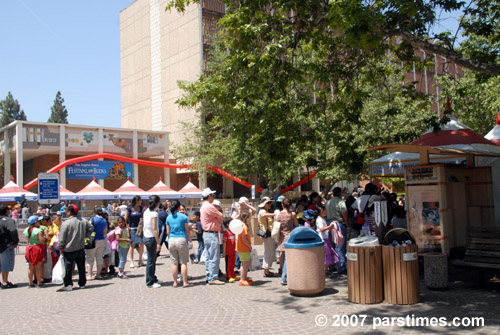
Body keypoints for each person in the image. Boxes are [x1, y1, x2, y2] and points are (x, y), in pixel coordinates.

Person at [58, 204, 94, 291]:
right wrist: (86, 236)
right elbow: (91, 228)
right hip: (80, 247)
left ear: (70, 212)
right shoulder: (83, 221)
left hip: (68, 248)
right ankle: (82, 283)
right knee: (81, 267)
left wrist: (61, 247)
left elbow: (62, 238)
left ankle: (68, 284)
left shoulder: (65, 223)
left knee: (68, 268)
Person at [200, 187, 225, 285]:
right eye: (212, 195)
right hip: (211, 233)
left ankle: (209, 275)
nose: (213, 196)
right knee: (214, 256)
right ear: (209, 196)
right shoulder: (209, 206)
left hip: (206, 233)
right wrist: (217, 219)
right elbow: (221, 216)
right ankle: (213, 277)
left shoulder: (203, 206)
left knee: (208, 256)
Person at [166, 200, 193, 287]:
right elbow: (187, 230)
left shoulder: (168, 217)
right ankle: (185, 282)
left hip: (172, 239)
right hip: (181, 238)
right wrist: (190, 240)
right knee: (183, 262)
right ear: (178, 207)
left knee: (174, 262)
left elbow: (167, 231)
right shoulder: (183, 217)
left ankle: (175, 282)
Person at [275, 198, 298, 286]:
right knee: (287, 259)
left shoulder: (278, 214)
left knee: (284, 257)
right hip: (290, 236)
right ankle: (284, 277)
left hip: (281, 237)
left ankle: (285, 275)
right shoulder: (292, 214)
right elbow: (296, 224)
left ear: (282, 205)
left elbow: (276, 225)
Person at [326, 187, 348, 274]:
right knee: (340, 246)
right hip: (339, 224)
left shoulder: (328, 202)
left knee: (331, 246)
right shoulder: (340, 202)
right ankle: (341, 266)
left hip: (329, 224)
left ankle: (331, 266)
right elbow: (344, 212)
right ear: (340, 194)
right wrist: (346, 222)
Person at [143, 195, 162, 288]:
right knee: (151, 260)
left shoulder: (146, 211)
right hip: (151, 237)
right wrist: (158, 242)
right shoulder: (154, 213)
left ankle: (153, 278)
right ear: (157, 203)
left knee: (152, 259)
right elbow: (154, 228)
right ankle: (150, 281)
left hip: (146, 236)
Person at [315, 204, 339, 276]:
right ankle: (325, 271)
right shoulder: (319, 220)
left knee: (327, 255)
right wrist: (330, 226)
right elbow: (322, 229)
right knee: (326, 255)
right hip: (323, 239)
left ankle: (326, 270)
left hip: (324, 238)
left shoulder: (321, 219)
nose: (326, 212)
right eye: (325, 210)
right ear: (322, 211)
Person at [0, 205, 19, 289]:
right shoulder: (8, 220)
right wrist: (15, 241)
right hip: (6, 244)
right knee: (5, 264)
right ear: (7, 211)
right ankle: (5, 282)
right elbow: (13, 230)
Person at [24, 216, 46, 287]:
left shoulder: (26, 230)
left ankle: (30, 283)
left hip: (29, 248)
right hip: (37, 248)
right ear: (35, 222)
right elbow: (41, 240)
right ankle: (39, 282)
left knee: (30, 267)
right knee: (38, 267)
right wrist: (44, 237)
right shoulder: (38, 231)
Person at [86, 208, 108, 280]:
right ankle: (98, 274)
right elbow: (104, 231)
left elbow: (87, 228)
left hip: (93, 240)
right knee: (99, 258)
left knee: (90, 258)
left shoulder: (92, 219)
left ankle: (89, 275)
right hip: (101, 240)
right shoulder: (104, 220)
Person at [258, 196, 277, 277]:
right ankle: (266, 270)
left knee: (270, 252)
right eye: (268, 203)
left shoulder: (266, 211)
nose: (270, 204)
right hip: (266, 235)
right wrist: (275, 214)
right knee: (269, 252)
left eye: (270, 203)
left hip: (269, 234)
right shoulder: (262, 211)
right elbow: (263, 215)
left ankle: (267, 269)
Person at [125, 196, 144, 268]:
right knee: (132, 244)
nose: (141, 201)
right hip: (131, 228)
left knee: (141, 243)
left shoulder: (141, 208)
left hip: (139, 228)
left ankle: (140, 260)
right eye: (140, 200)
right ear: (136, 201)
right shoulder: (129, 208)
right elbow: (125, 218)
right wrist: (126, 229)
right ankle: (132, 261)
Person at [236, 215, 252, 286]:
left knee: (246, 263)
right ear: (246, 218)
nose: (250, 219)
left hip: (242, 248)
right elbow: (244, 238)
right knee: (244, 264)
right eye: (249, 218)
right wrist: (249, 245)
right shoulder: (244, 226)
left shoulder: (241, 225)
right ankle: (242, 279)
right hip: (243, 248)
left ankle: (244, 277)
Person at [222, 217, 238, 283]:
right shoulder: (226, 232)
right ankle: (229, 276)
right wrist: (224, 251)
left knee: (232, 264)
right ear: (228, 224)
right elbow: (224, 242)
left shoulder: (233, 231)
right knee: (228, 264)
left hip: (233, 251)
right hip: (228, 252)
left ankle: (233, 275)